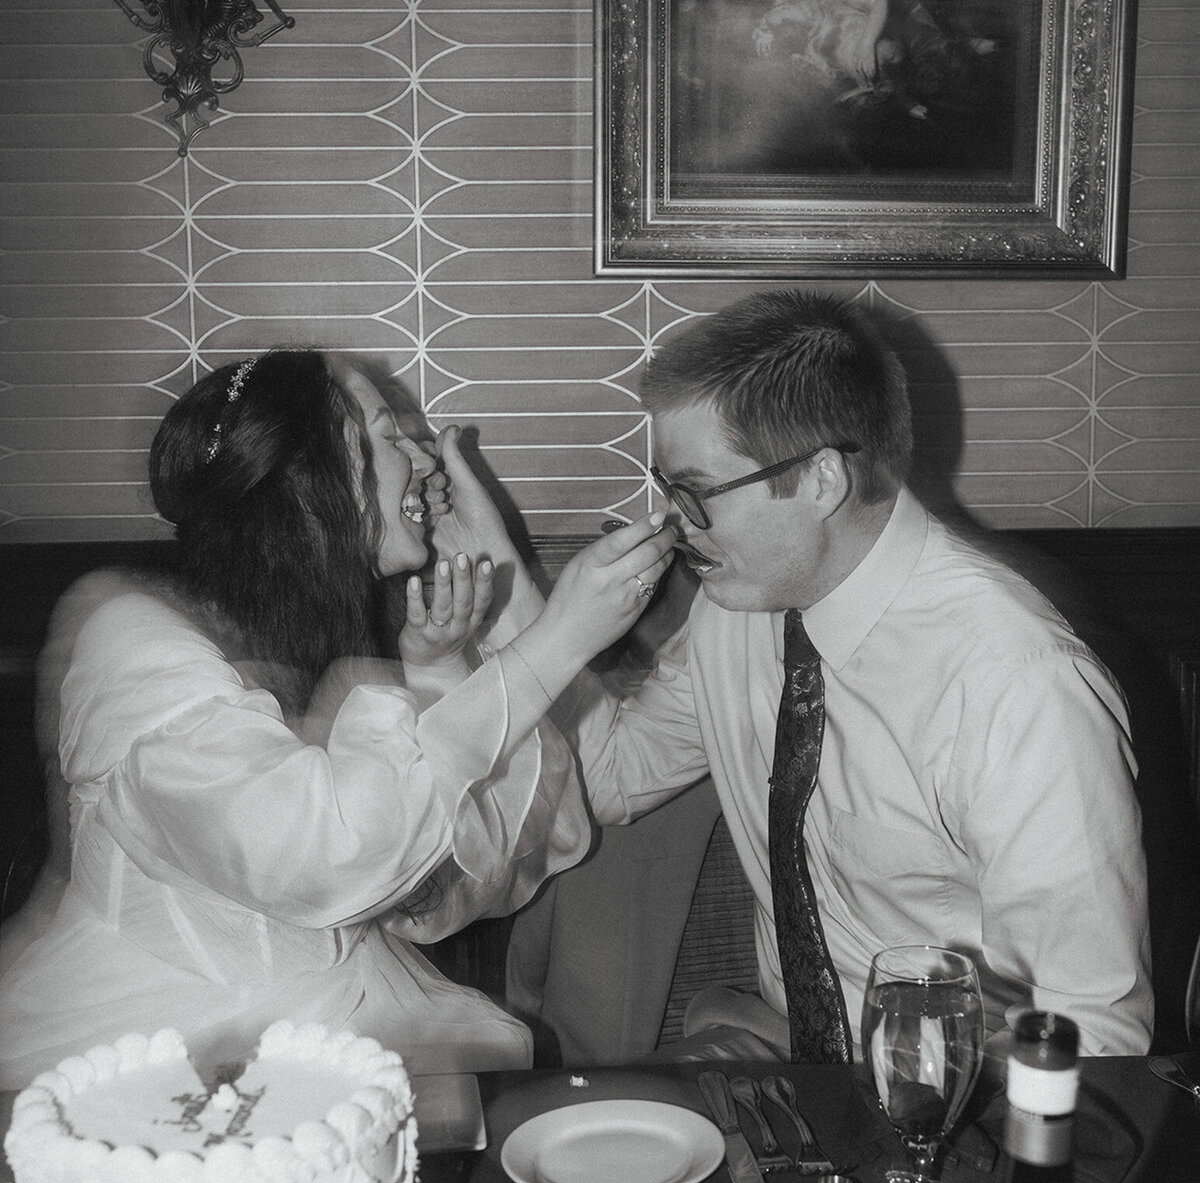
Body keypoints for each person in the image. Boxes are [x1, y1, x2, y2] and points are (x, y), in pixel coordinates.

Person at [500, 292, 1154, 1060]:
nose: (674, 522)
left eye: (696, 493)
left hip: (957, 1095)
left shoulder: (1016, 683)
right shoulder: (735, 609)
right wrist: (516, 595)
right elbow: (609, 775)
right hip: (784, 1054)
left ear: (820, 481)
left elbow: (1090, 1030)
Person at [0, 348, 674, 1087]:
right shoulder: (131, 638)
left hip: (330, 1031)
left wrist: (443, 665)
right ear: (313, 474)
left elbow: (468, 877)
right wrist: (560, 639)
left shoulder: (354, 631)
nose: (422, 456)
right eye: (389, 435)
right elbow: (327, 853)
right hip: (151, 1055)